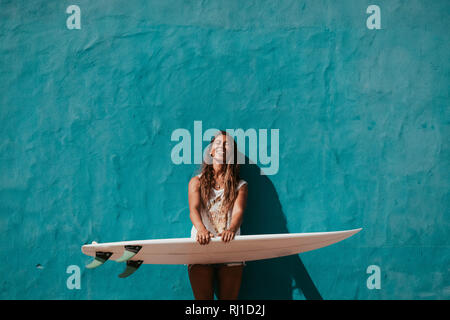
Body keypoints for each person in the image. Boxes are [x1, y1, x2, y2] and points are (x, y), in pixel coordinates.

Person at [187, 130, 248, 300]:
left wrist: (232, 229)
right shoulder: (196, 181)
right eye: (218, 144)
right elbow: (194, 209)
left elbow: (239, 211)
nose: (222, 147)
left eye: (226, 144)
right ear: (211, 152)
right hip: (201, 244)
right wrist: (201, 230)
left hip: (230, 244)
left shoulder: (240, 185)